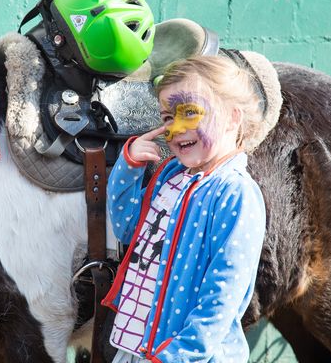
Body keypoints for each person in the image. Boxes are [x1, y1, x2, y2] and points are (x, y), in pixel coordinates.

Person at [101, 55, 267, 363]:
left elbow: (223, 293)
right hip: (140, 346)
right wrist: (129, 167)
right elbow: (128, 229)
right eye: (166, 117)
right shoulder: (171, 177)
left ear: (232, 117)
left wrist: (181, 355)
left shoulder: (235, 193)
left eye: (189, 112)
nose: (174, 128)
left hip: (186, 355)